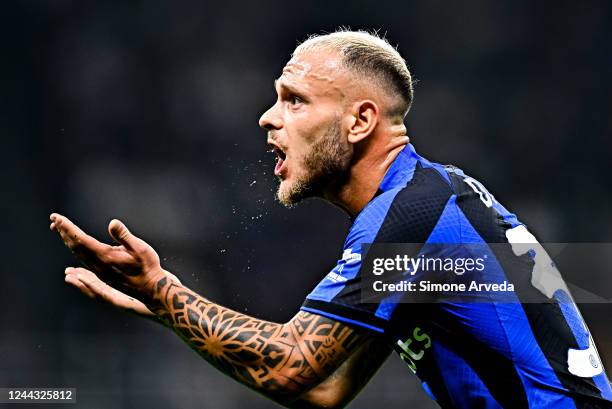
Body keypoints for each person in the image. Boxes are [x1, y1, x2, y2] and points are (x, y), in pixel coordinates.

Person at [50, 30, 612, 408]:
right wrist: (165, 308)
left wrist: (163, 289)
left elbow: (294, 365)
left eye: (294, 100)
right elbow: (325, 390)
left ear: (360, 120)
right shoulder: (423, 205)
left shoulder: (411, 217)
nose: (268, 117)